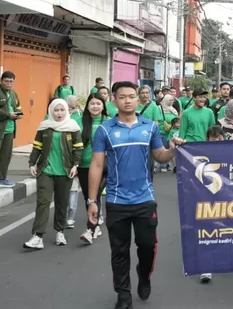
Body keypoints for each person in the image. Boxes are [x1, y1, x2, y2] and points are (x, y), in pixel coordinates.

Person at [88, 81, 184, 307]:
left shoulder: (149, 127)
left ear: (138, 99)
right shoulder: (105, 130)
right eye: (123, 97)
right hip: (116, 201)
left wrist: (172, 149)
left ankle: (143, 276)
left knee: (147, 247)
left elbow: (160, 155)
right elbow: (96, 165)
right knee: (119, 252)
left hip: (144, 200)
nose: (128, 100)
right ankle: (124, 296)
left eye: (132, 96)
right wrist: (92, 201)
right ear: (114, 100)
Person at [23, 99, 83, 250]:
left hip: (65, 170)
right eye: (56, 110)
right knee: (43, 202)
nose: (59, 113)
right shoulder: (45, 126)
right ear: (50, 111)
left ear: (67, 111)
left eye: (62, 110)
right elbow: (37, 146)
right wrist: (32, 163)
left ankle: (60, 231)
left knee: (62, 203)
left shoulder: (73, 127)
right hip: (46, 170)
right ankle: (38, 236)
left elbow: (78, 148)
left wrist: (76, 165)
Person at [76, 94, 109, 244]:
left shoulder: (110, 123)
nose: (95, 106)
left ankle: (90, 228)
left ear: (103, 106)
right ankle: (95, 226)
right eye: (92, 104)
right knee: (88, 197)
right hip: (84, 165)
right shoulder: (78, 121)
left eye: (98, 103)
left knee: (94, 196)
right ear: (87, 106)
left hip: (105, 166)